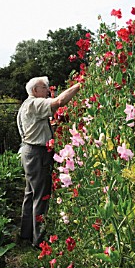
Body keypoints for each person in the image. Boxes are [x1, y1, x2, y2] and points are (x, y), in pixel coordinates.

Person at [17, 76, 81, 247]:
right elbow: (59, 101)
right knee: (41, 196)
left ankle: (26, 233)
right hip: (37, 153)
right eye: (44, 87)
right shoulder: (35, 103)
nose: (48, 90)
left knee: (31, 193)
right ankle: (39, 240)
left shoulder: (26, 105)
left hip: (29, 151)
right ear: (35, 90)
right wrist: (79, 85)